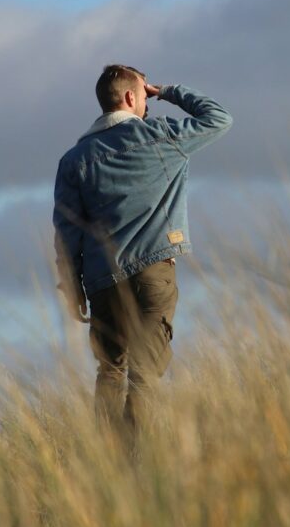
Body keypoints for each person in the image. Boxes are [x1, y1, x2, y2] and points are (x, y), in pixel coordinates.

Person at [52, 64, 233, 446]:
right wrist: (167, 90)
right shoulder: (162, 137)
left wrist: (72, 288)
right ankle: (136, 466)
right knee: (146, 374)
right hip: (154, 272)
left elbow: (67, 232)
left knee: (110, 371)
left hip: (101, 282)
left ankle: (107, 463)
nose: (149, 104)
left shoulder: (72, 161)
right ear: (132, 97)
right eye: (144, 96)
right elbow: (219, 118)